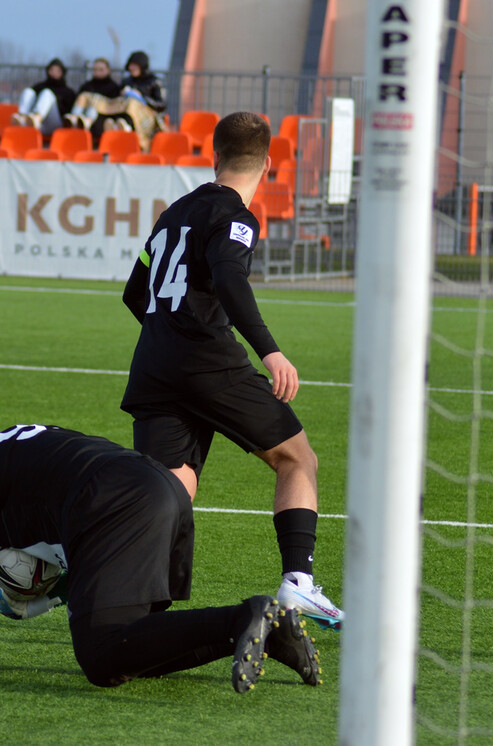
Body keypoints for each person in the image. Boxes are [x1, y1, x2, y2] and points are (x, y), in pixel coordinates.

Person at [0, 397, 321, 692]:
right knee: (133, 648)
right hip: (159, 488)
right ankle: (268, 631)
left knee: (100, 657)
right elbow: (81, 555)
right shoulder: (11, 448)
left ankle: (245, 615)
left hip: (112, 502)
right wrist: (52, 596)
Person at [119, 112, 344, 631]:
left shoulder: (173, 213)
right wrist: (269, 351)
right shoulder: (236, 217)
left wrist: (169, 335)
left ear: (214, 156)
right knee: (297, 458)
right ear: (268, 163)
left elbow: (135, 292)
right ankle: (299, 584)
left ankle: (138, 602)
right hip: (207, 363)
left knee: (168, 489)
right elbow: (229, 278)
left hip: (154, 366)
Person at [63, 57, 128, 137]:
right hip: (82, 116)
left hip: (101, 120)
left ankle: (86, 121)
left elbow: (114, 110)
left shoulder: (113, 88)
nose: (97, 72)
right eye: (95, 69)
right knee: (84, 97)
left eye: (101, 70)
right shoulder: (87, 86)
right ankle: (74, 120)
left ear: (108, 71)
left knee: (95, 103)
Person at [12, 57, 76, 136]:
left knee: (47, 93)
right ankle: (22, 117)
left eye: (57, 70)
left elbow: (68, 114)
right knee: (28, 91)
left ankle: (37, 117)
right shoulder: (39, 87)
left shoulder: (68, 92)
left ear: (62, 72)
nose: (54, 73)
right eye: (52, 70)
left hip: (55, 125)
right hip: (37, 125)